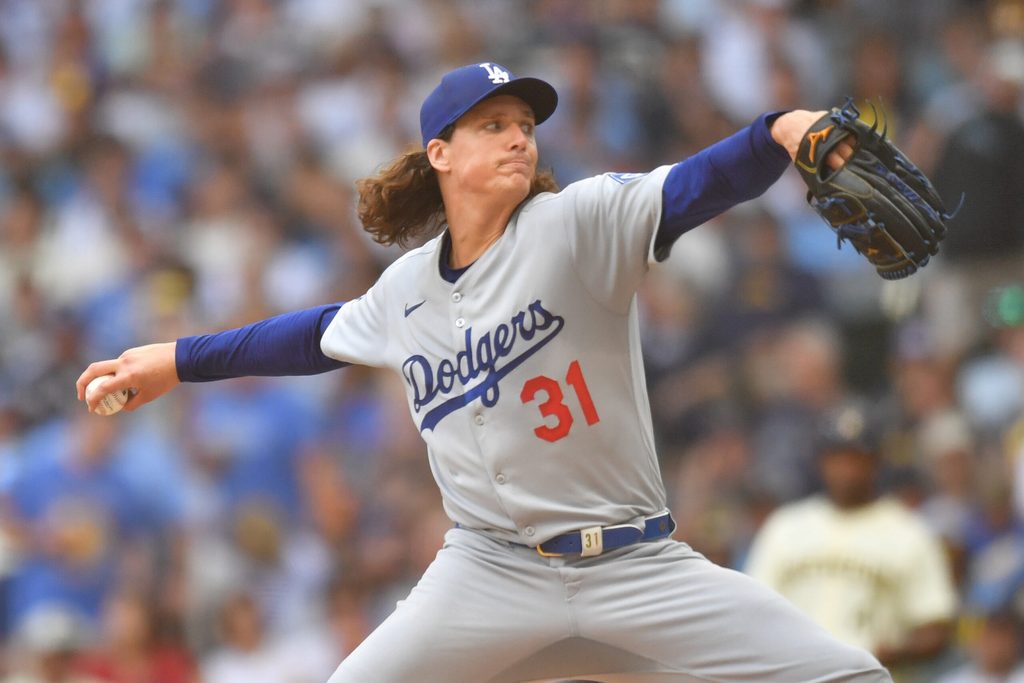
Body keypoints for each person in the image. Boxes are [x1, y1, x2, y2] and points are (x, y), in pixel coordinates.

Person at [78, 62, 886, 682]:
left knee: (851, 674)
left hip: (637, 564)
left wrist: (780, 128)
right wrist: (178, 360)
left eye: (524, 125)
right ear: (440, 153)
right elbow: (310, 336)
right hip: (489, 571)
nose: (518, 138)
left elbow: (695, 186)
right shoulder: (406, 291)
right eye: (492, 124)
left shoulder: (577, 222)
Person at [745, 403, 957, 681]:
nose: (846, 469)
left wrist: (895, 650)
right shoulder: (785, 526)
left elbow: (936, 627)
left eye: (856, 457)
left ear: (877, 461)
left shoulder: (910, 532)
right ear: (821, 461)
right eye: (837, 457)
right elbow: (751, 611)